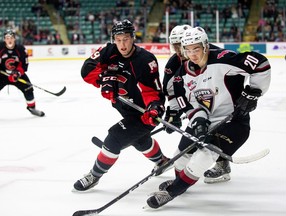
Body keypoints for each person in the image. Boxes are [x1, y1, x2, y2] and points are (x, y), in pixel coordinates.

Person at [146, 26, 271, 208]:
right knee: (179, 157)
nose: (191, 54)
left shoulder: (222, 59)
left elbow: (260, 64)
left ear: (205, 45)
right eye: (187, 49)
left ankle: (173, 191)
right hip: (208, 118)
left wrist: (253, 92)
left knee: (204, 155)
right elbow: (189, 103)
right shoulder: (181, 74)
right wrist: (199, 122)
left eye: (195, 49)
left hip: (234, 122)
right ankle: (181, 181)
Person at [73, 19, 169, 192]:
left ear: (133, 38)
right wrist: (104, 79)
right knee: (140, 140)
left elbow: (152, 92)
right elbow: (87, 70)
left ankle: (94, 175)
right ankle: (162, 161)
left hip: (144, 113)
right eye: (118, 39)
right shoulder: (108, 51)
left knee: (114, 138)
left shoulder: (145, 60)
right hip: (124, 108)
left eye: (126, 38)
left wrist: (154, 108)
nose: (122, 44)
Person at [163, 26, 227, 184]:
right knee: (196, 134)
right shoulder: (174, 63)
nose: (178, 50)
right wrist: (173, 112)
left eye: (180, 45)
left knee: (217, 134)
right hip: (195, 104)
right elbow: (171, 90)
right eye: (175, 46)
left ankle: (222, 163)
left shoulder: (213, 54)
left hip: (219, 102)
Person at [0, 29, 45, 117]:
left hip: (16, 75)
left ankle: (32, 108)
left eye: (11, 38)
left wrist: (17, 74)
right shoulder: (0, 47)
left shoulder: (20, 49)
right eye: (7, 38)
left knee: (28, 88)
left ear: (14, 39)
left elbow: (24, 65)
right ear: (4, 39)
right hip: (2, 74)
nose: (9, 40)